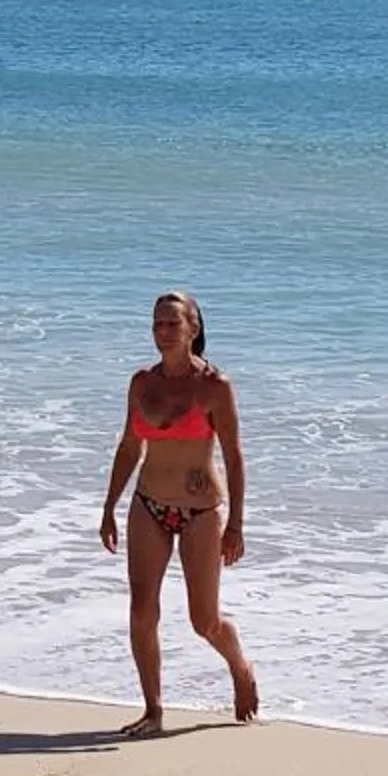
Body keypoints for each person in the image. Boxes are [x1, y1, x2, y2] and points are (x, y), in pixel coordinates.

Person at [98, 289, 257, 735]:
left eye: (172, 323)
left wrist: (237, 525)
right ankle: (153, 710)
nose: (163, 331)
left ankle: (240, 665)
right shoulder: (141, 384)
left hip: (200, 511)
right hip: (148, 504)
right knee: (141, 610)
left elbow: (235, 457)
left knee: (203, 620)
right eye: (157, 324)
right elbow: (130, 447)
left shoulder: (215, 388)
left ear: (194, 328)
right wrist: (109, 505)